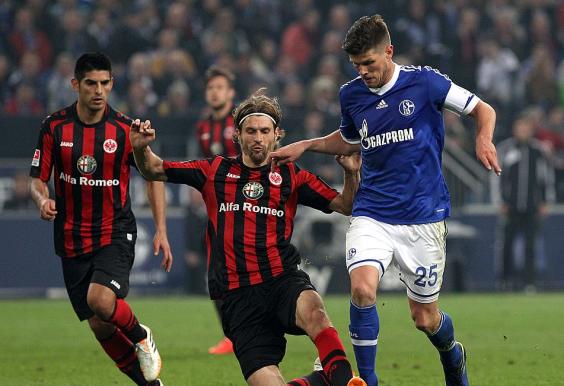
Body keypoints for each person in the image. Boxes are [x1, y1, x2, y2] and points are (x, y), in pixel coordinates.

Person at [270, 15, 502, 386]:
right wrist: (308, 145)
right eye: (357, 65)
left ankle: (452, 353)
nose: (363, 72)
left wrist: (483, 138)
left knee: (425, 319)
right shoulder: (352, 95)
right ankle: (368, 380)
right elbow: (349, 139)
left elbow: (482, 109)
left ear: (388, 52)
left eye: (369, 63)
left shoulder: (424, 82)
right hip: (372, 211)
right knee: (362, 290)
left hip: (424, 216)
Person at [130, 90, 366, 386]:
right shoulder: (215, 171)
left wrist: (351, 175)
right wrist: (140, 149)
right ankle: (324, 379)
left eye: (265, 131)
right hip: (237, 297)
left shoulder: (292, 176)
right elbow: (153, 168)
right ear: (237, 135)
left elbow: (345, 205)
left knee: (316, 312)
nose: (258, 138)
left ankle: (344, 380)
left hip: (281, 279)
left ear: (277, 135)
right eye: (251, 131)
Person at [29, 52, 170, 386]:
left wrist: (161, 229)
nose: (98, 90)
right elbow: (36, 178)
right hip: (71, 237)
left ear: (112, 84)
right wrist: (42, 198)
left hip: (114, 231)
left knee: (101, 299)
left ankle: (141, 335)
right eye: (90, 83)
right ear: (76, 84)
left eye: (104, 83)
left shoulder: (125, 129)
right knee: (99, 324)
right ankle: (150, 385)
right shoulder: (54, 127)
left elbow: (154, 174)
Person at [195, 65, 239, 354]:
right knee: (217, 275)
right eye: (211, 88)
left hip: (247, 206)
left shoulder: (242, 122)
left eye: (220, 87)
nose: (215, 92)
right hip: (216, 211)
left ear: (231, 93)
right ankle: (231, 336)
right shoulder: (202, 128)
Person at [497, 115, 555, 291]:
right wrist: (501, 201)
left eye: (525, 128)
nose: (522, 131)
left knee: (530, 246)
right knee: (507, 244)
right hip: (511, 206)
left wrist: (545, 201)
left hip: (532, 206)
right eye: (519, 128)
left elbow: (546, 177)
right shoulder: (505, 148)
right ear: (515, 129)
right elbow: (497, 175)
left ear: (530, 130)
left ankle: (529, 283)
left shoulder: (538, 151)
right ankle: (505, 281)